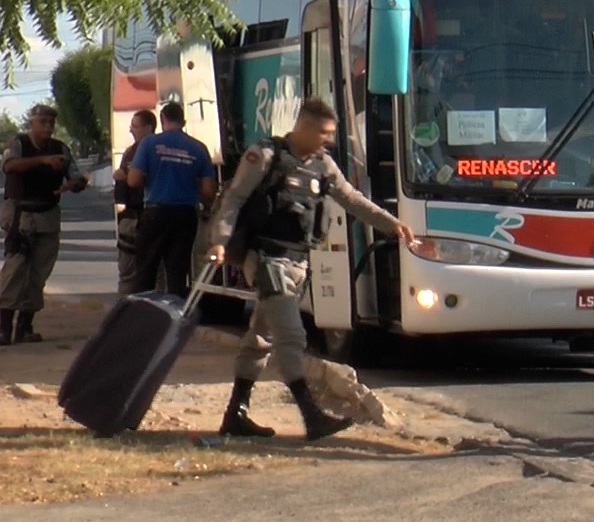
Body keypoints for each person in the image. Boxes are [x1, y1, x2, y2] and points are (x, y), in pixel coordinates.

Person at [207, 98, 415, 441]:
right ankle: (312, 416)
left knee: (259, 340)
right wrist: (220, 240)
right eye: (323, 133)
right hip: (267, 260)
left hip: (299, 263)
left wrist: (392, 224)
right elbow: (233, 199)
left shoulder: (323, 165)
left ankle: (236, 414)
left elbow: (352, 199)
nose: (327, 140)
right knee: (292, 338)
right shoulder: (265, 157)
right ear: (302, 128)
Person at [0, 105, 89, 345]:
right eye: (43, 121)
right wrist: (42, 161)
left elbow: (76, 176)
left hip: (48, 213)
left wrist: (76, 183)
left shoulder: (60, 149)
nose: (48, 126)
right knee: (15, 270)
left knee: (39, 272)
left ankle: (25, 327)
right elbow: (9, 167)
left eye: (51, 121)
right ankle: (4, 327)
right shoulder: (18, 144)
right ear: (32, 122)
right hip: (21, 213)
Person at [127, 102, 216, 298]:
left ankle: (143, 319)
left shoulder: (149, 143)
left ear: (162, 120)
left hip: (155, 212)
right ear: (183, 121)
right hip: (185, 215)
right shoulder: (198, 148)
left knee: (145, 272)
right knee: (177, 273)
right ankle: (175, 317)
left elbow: (133, 180)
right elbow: (209, 190)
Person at [114, 110, 157, 295]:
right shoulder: (131, 152)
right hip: (131, 220)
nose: (131, 130)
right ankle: (125, 317)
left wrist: (128, 177)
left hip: (151, 217)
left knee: (154, 275)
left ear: (148, 128)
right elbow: (121, 183)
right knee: (127, 274)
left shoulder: (157, 150)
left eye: (135, 126)